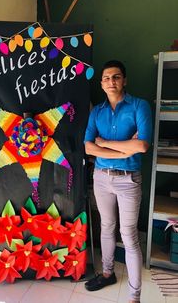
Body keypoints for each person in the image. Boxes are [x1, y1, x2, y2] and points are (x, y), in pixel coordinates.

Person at [84, 60, 152, 303]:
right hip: (101, 179)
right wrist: (124, 151)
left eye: (116, 77)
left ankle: (135, 296)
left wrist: (105, 143)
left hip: (128, 180)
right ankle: (107, 272)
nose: (111, 81)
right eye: (106, 78)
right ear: (101, 84)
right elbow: (89, 147)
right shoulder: (96, 112)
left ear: (124, 80)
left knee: (129, 233)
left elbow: (142, 145)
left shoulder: (139, 107)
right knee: (107, 227)